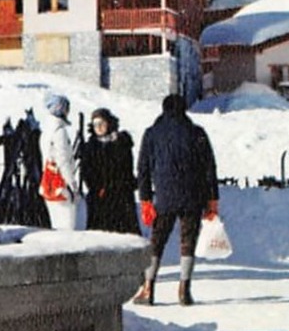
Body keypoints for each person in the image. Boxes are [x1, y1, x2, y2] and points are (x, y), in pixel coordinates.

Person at [135, 93, 220, 306]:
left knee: (157, 242)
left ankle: (148, 288)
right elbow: (209, 168)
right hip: (193, 196)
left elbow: (143, 169)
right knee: (188, 242)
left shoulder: (152, 134)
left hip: (164, 197)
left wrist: (145, 199)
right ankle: (184, 289)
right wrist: (212, 200)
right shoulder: (197, 133)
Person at [78, 107, 140, 235]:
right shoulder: (91, 146)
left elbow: (126, 168)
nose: (99, 127)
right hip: (100, 197)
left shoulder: (121, 142)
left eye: (102, 123)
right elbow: (86, 171)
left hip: (121, 196)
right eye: (95, 124)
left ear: (109, 123)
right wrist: (97, 187)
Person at [39, 92, 81, 230]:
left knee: (55, 225)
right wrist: (71, 184)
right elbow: (63, 160)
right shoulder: (59, 132)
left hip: (48, 182)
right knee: (67, 225)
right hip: (61, 185)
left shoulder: (46, 131)